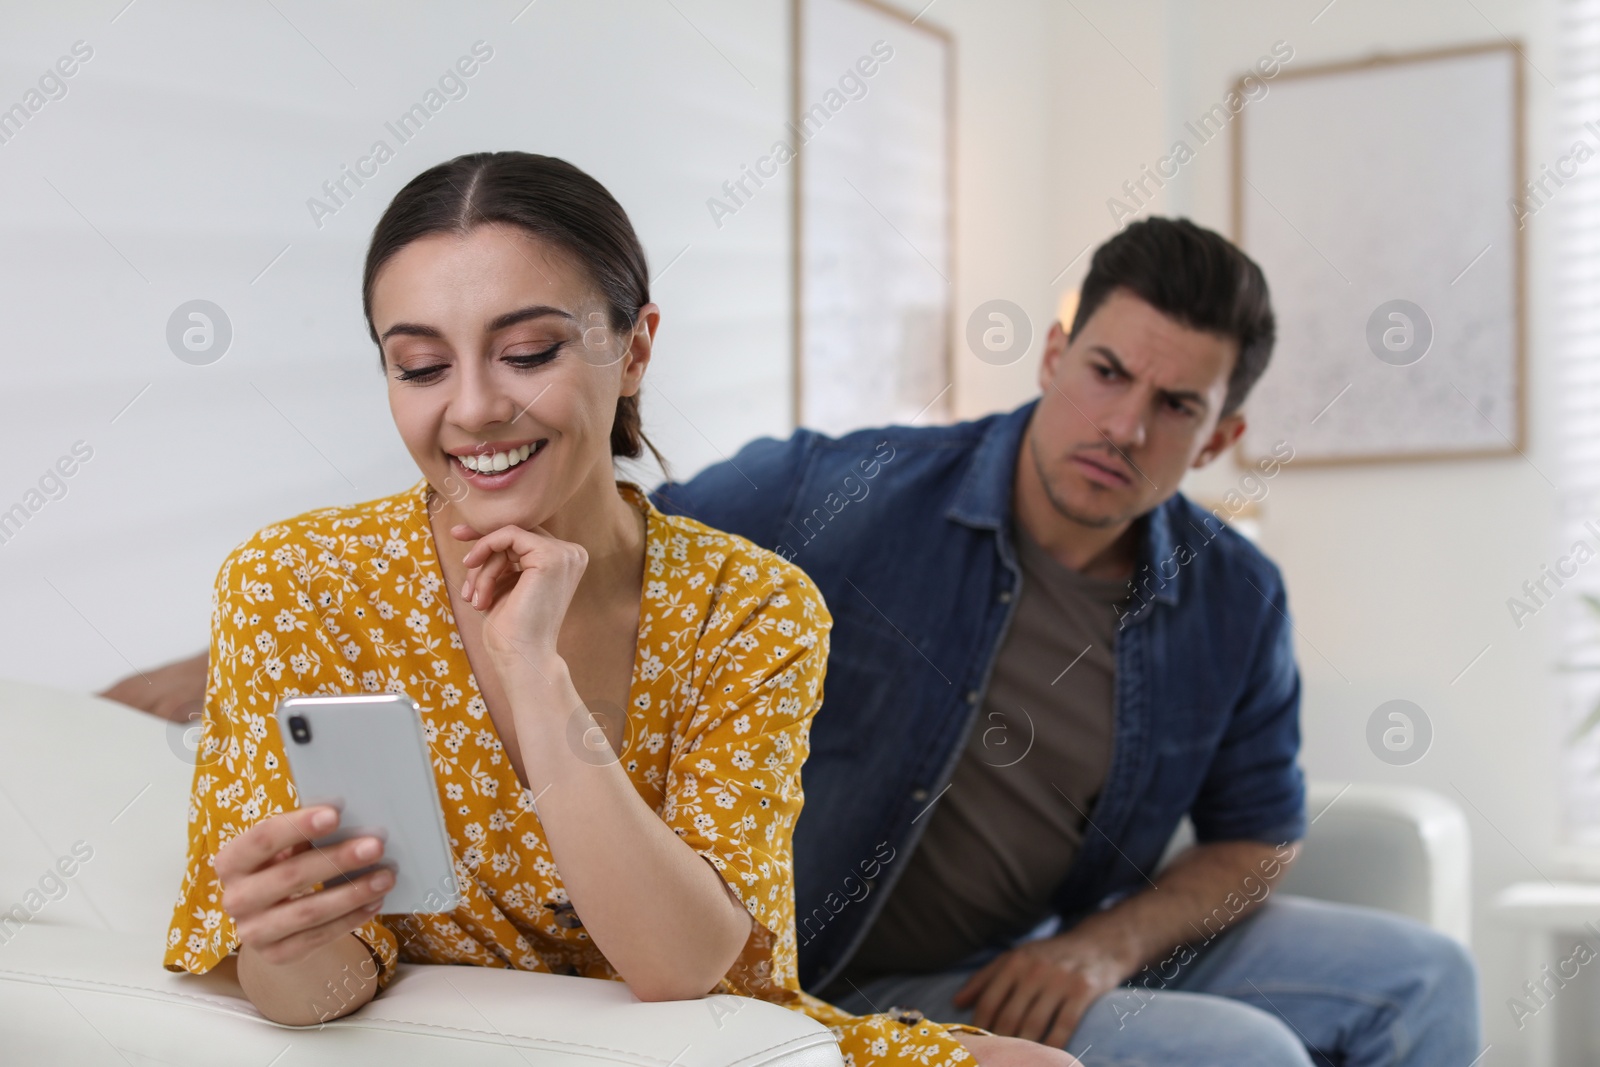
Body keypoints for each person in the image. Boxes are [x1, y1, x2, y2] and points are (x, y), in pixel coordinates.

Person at [161, 150, 1071, 1067]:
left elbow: (683, 965)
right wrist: (294, 938)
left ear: (634, 349)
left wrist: (535, 674)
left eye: (528, 353)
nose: (473, 408)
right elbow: (312, 991)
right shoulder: (299, 583)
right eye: (421, 366)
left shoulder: (751, 607)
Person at [646, 218, 1483, 1064]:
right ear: (1054, 357)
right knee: (1243, 1053)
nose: (1123, 426)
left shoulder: (1235, 597)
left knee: (1427, 978)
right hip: (842, 980)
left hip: (1043, 952)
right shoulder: (845, 494)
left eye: (1176, 406)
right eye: (1107, 373)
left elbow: (1256, 838)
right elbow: (637, 538)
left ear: (1219, 439)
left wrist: (1107, 946)